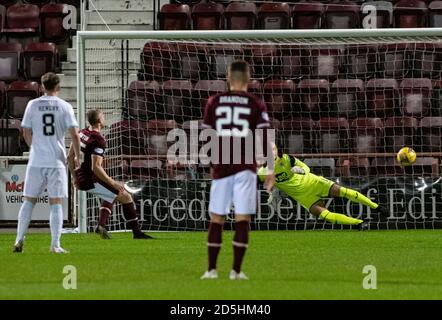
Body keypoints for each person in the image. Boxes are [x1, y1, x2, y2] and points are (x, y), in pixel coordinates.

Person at [200, 60, 274, 280]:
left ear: (228, 78)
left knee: (217, 218)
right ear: (249, 80)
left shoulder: (214, 101)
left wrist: (212, 160)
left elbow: (206, 137)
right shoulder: (256, 103)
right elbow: (263, 138)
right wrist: (270, 168)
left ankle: (211, 270)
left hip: (221, 167)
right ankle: (236, 271)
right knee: (242, 219)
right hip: (245, 167)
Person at [13, 72, 81, 254]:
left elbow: (25, 131)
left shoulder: (32, 105)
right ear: (58, 87)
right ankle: (55, 245)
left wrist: (34, 146)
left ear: (42, 87)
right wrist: (78, 156)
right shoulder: (64, 106)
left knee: (28, 201)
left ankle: (19, 240)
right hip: (56, 161)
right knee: (55, 202)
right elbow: (74, 134)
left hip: (36, 160)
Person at [258, 144, 388, 229]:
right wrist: (270, 192)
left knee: (344, 191)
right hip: (303, 197)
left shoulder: (287, 159)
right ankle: (359, 223)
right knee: (325, 215)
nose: (272, 152)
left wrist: (301, 170)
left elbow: (306, 168)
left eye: (274, 149)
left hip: (314, 183)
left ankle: (377, 207)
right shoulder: (262, 173)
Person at [67, 109, 152, 240]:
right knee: (126, 196)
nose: (104, 118)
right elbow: (96, 167)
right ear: (99, 121)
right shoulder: (98, 139)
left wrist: (74, 177)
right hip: (91, 179)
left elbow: (70, 156)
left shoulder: (81, 133)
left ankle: (101, 225)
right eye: (103, 116)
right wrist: (113, 182)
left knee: (110, 195)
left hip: (81, 177)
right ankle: (137, 233)